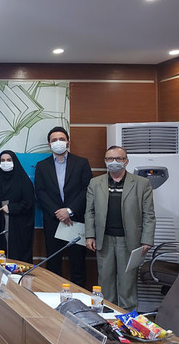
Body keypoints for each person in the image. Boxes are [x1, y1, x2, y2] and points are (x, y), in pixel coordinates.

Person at [85, 146, 155, 310]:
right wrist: (89, 235)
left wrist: (147, 239)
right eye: (110, 159)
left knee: (127, 284)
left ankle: (127, 319)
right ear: (105, 161)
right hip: (104, 240)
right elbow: (89, 212)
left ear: (126, 161)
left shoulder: (142, 183)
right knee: (105, 283)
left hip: (129, 241)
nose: (114, 162)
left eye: (119, 158)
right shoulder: (95, 183)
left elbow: (149, 214)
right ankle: (107, 316)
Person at [35, 126, 92, 287]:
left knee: (78, 264)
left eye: (61, 139)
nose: (58, 142)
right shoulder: (42, 165)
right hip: (53, 221)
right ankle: (52, 296)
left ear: (68, 142)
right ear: (49, 144)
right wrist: (58, 213)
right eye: (54, 140)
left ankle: (80, 297)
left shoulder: (81, 163)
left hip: (75, 220)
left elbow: (87, 189)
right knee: (53, 265)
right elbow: (40, 192)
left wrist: (69, 210)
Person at [0, 150, 35, 263]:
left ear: (14, 162)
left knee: (17, 255)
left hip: (18, 224)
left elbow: (29, 203)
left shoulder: (23, 181)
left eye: (9, 160)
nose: (6, 163)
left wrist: (11, 208)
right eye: (3, 160)